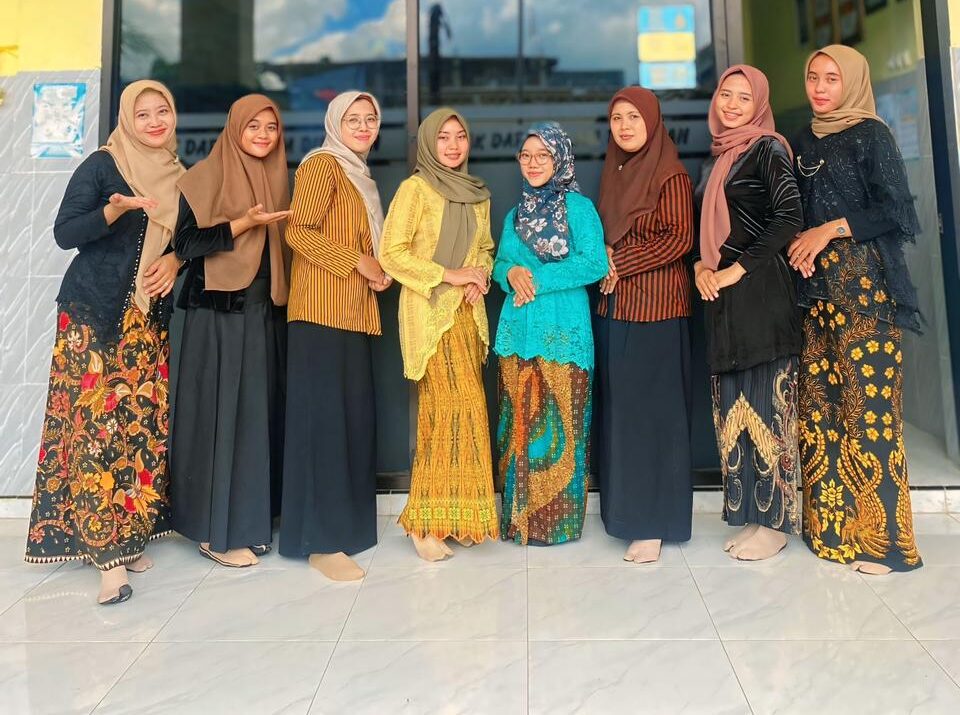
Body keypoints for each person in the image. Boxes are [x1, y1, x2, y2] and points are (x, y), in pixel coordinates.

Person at [25, 80, 184, 605]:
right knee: (94, 428)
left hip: (145, 321)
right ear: (126, 119)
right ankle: (107, 557)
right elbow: (64, 233)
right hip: (93, 316)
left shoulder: (179, 175)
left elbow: (187, 238)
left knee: (139, 428)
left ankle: (130, 534)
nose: (155, 122)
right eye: (143, 114)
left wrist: (175, 259)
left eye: (163, 111)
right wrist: (112, 212)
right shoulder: (102, 164)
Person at [789, 45, 923, 574]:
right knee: (820, 414)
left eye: (832, 78)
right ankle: (833, 534)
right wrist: (799, 241)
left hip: (866, 293)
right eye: (813, 77)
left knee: (871, 416)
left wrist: (829, 229)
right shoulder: (802, 139)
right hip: (815, 295)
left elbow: (896, 210)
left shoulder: (872, 134)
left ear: (852, 82)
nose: (821, 88)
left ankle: (887, 545)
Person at [169, 94, 291, 568]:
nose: (263, 135)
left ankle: (250, 524)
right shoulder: (205, 176)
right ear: (235, 127)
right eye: (253, 126)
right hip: (219, 314)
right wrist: (243, 223)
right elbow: (185, 243)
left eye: (271, 127)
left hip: (263, 311)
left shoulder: (278, 178)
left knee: (255, 418)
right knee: (223, 419)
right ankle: (214, 534)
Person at [279, 91, 391, 581]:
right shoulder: (322, 165)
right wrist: (357, 261)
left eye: (371, 119)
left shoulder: (358, 174)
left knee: (349, 422)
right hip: (320, 312)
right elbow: (298, 232)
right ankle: (320, 544)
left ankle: (345, 531)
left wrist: (378, 270)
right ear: (334, 124)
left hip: (353, 312)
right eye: (353, 119)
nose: (363, 127)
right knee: (322, 426)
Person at [694, 65, 804, 560]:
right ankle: (751, 516)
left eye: (744, 97)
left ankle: (775, 525)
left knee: (767, 406)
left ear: (758, 103)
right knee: (735, 408)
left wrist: (736, 270)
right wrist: (701, 265)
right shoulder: (717, 157)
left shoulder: (767, 149)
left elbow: (789, 217)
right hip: (722, 298)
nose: (733, 105)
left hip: (759, 293)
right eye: (726, 94)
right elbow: (703, 231)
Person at [379, 108, 498, 561]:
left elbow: (484, 250)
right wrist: (451, 274)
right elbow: (392, 253)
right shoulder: (415, 189)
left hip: (467, 318)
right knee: (447, 415)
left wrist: (479, 276)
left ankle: (456, 517)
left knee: (467, 416)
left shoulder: (478, 195)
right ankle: (423, 522)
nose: (452, 145)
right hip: (430, 317)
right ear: (429, 143)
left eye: (459, 136)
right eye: (443, 137)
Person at [492, 122, 607, 545]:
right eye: (526, 156)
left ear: (559, 160)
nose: (533, 163)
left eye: (543, 155)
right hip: (517, 334)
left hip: (563, 333)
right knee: (518, 431)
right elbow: (499, 265)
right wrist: (510, 273)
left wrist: (536, 278)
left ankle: (556, 527)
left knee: (563, 432)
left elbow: (594, 263)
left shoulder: (578, 208)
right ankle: (518, 523)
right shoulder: (514, 215)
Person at [595, 87, 695, 563]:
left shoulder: (669, 173)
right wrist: (603, 257)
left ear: (652, 121)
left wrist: (620, 262)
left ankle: (654, 524)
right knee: (623, 417)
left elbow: (679, 239)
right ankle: (626, 515)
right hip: (615, 310)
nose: (625, 126)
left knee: (653, 419)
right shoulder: (614, 172)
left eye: (634, 117)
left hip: (657, 311)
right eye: (617, 118)